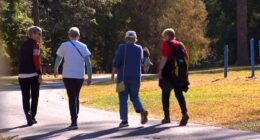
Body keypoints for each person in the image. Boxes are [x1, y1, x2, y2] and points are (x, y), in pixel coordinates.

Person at [54, 27, 92, 130]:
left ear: (69, 35)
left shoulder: (64, 45)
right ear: (78, 36)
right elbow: (88, 62)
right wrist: (89, 76)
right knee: (76, 96)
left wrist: (56, 68)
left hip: (67, 75)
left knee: (72, 97)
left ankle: (74, 121)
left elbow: (59, 58)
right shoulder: (83, 46)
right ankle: (75, 117)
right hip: (79, 75)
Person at [112, 31, 148, 127]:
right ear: (135, 39)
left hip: (122, 78)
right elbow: (142, 61)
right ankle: (141, 110)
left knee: (123, 98)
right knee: (134, 96)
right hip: (136, 77)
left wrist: (112, 74)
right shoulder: (139, 48)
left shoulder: (122, 47)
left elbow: (117, 62)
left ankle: (124, 121)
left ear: (126, 38)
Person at [158, 28, 189, 126]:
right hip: (179, 74)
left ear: (167, 36)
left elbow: (164, 58)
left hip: (168, 73)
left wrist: (160, 70)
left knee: (165, 94)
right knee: (179, 94)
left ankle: (167, 117)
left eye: (164, 36)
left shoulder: (166, 44)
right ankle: (185, 113)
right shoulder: (180, 44)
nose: (163, 38)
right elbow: (186, 58)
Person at [18, 26, 43, 126]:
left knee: (25, 96)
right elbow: (36, 60)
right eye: (38, 33)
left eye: (40, 34)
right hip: (33, 74)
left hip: (22, 74)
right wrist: (40, 73)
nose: (39, 36)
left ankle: (27, 115)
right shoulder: (36, 45)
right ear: (32, 33)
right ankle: (32, 116)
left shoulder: (23, 45)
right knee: (35, 96)